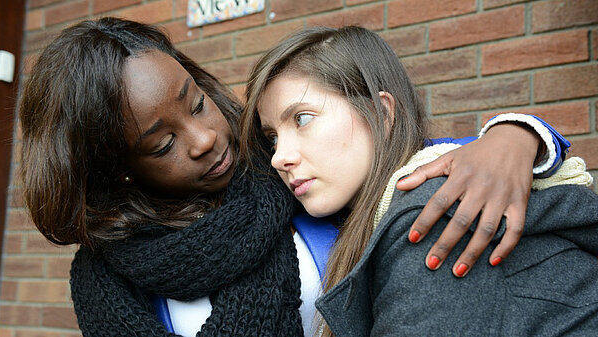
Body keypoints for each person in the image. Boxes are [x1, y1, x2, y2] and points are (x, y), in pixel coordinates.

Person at [19, 18, 570, 336]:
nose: (205, 137)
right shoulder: (107, 280)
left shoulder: (289, 177)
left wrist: (516, 135)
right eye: (162, 143)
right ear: (119, 173)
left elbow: (415, 161)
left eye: (198, 102)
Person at [240, 25, 598, 337]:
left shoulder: (434, 213)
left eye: (302, 119)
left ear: (381, 113)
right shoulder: (370, 209)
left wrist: (518, 132)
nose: (278, 157)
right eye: (271, 137)